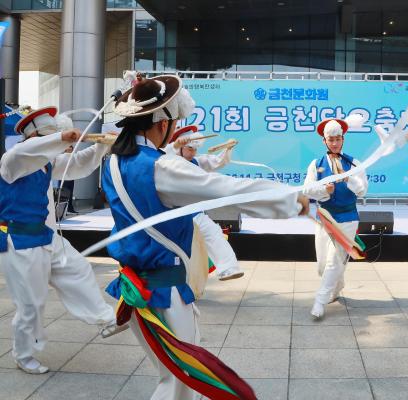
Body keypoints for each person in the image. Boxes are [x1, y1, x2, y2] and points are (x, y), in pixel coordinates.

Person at [103, 75, 309, 400]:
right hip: (162, 297)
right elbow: (224, 190)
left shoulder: (113, 162)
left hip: (139, 292)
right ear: (163, 124)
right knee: (180, 383)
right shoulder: (162, 168)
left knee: (178, 380)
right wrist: (287, 198)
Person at [0, 107, 121, 374]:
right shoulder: (12, 160)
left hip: (44, 236)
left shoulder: (46, 164)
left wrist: (102, 145)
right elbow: (28, 152)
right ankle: (24, 355)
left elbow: (78, 163)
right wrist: (61, 138)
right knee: (31, 304)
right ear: (35, 137)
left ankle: (105, 318)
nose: (58, 141)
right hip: (18, 240)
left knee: (77, 267)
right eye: (51, 136)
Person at [303, 116, 368, 319]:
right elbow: (307, 189)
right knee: (323, 265)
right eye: (330, 139)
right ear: (324, 141)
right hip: (324, 218)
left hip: (348, 218)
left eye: (337, 139)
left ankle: (319, 301)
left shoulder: (354, 163)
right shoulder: (316, 164)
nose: (334, 142)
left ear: (343, 139)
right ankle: (336, 287)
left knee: (334, 261)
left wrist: (349, 179)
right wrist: (324, 189)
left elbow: (363, 190)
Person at [165, 125, 242, 281]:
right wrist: (175, 145)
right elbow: (165, 154)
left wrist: (228, 147)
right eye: (189, 148)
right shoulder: (167, 161)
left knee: (213, 232)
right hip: (171, 214)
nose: (193, 152)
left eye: (195, 149)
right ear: (180, 147)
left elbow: (218, 161)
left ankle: (228, 268)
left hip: (193, 212)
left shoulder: (197, 162)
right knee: (175, 254)